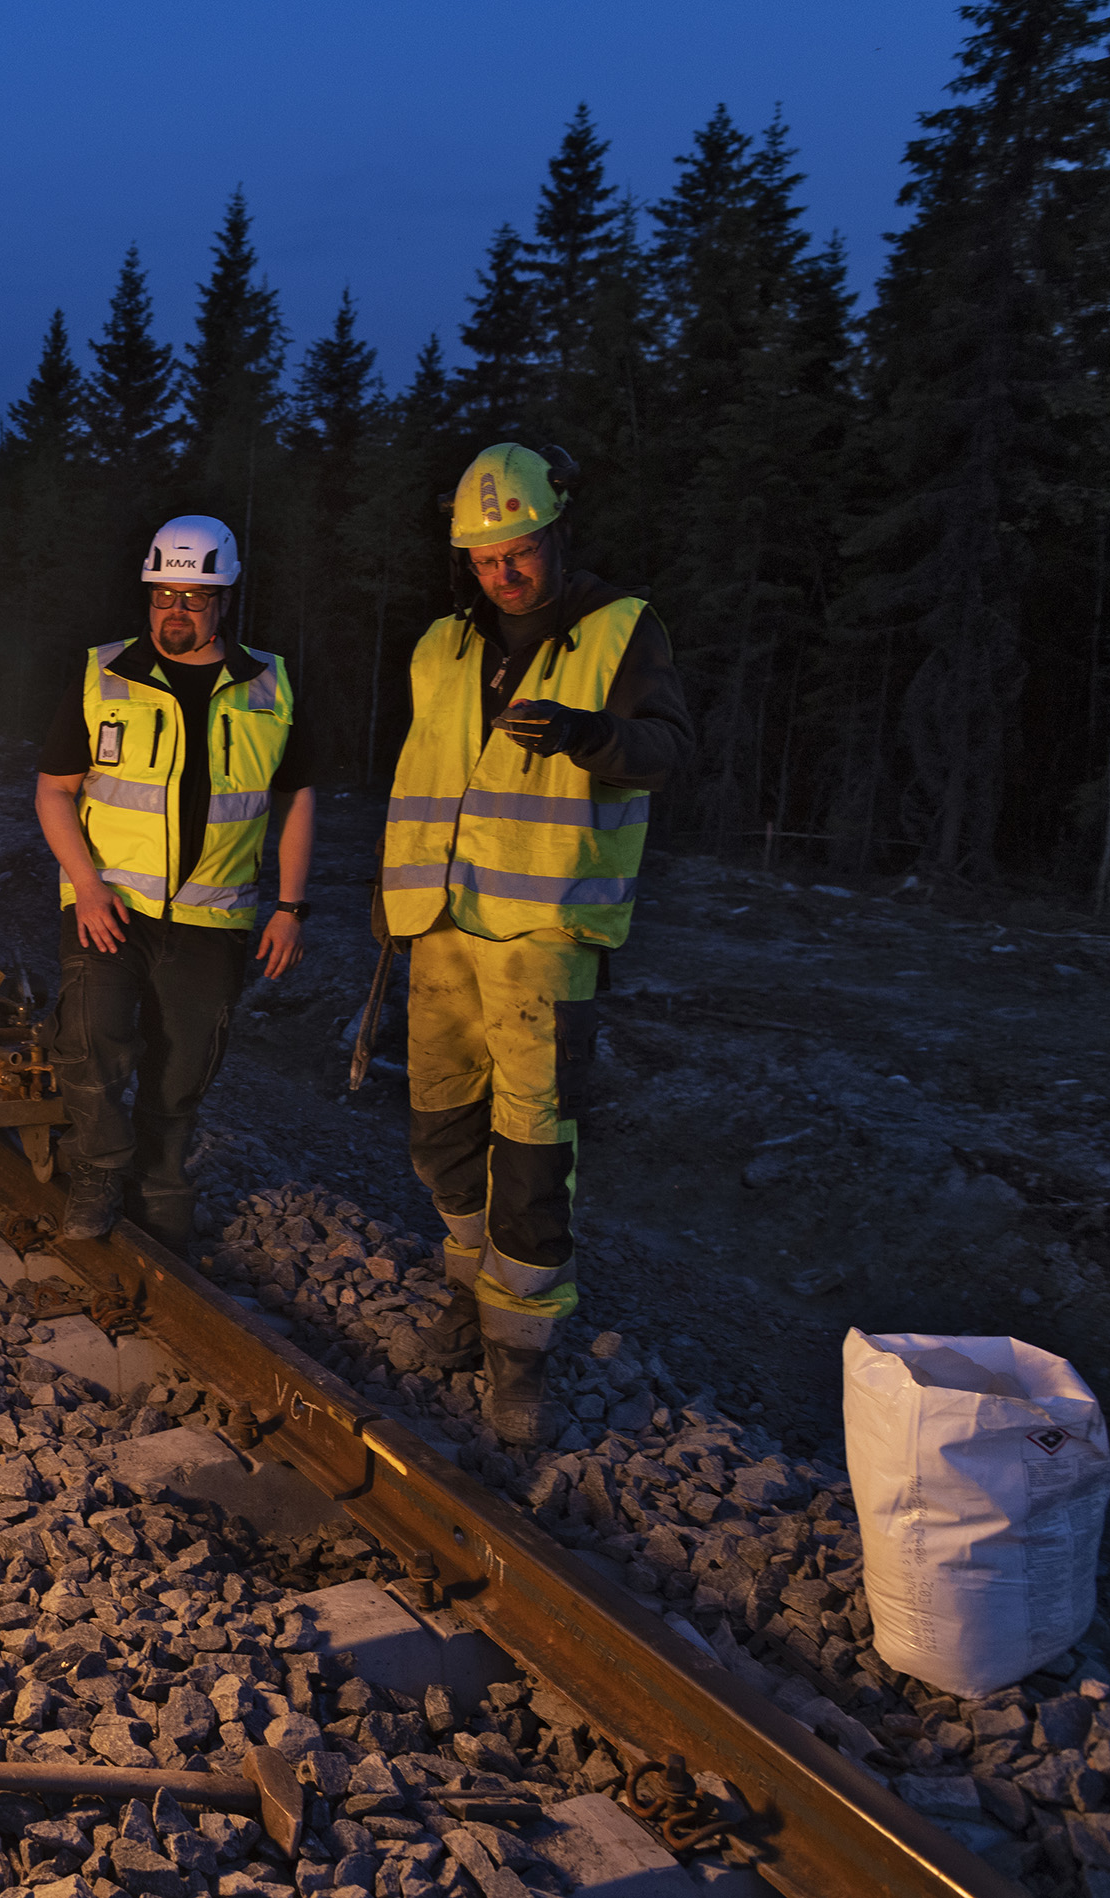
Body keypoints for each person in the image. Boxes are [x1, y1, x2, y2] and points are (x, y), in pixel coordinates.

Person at [380, 444, 695, 1443]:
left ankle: (518, 1352)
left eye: (517, 552)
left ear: (556, 534)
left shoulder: (618, 628)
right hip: (438, 926)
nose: (502, 572)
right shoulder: (441, 645)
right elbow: (428, 773)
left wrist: (584, 734)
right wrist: (395, 898)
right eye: (483, 558)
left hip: (545, 934)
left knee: (528, 1149)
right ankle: (468, 1296)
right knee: (439, 1133)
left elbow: (667, 751)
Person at [34, 515, 315, 1247]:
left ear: (224, 600)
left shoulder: (269, 685)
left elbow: (296, 799)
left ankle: (160, 1189)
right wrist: (86, 885)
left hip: (212, 918)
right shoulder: (105, 674)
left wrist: (290, 906)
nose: (175, 612)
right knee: (90, 1041)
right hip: (110, 906)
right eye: (163, 596)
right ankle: (98, 1169)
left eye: (193, 598)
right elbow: (54, 791)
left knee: (182, 1072)